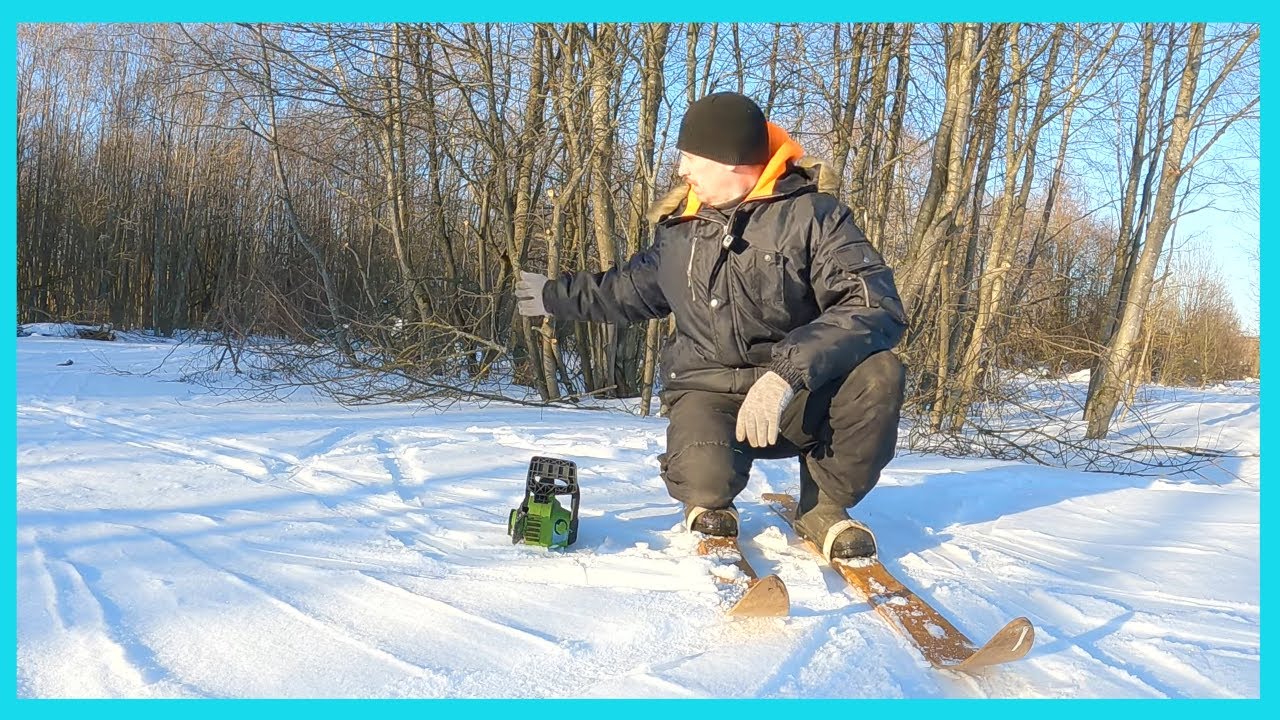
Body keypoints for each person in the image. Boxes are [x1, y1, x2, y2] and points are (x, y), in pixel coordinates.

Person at [516, 92, 906, 559]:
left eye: (691, 157)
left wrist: (785, 374)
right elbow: (624, 289)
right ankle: (708, 498)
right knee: (706, 480)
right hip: (709, 392)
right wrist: (550, 295)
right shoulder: (681, 229)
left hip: (797, 397)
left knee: (879, 371)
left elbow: (873, 305)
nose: (682, 169)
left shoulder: (814, 217)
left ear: (731, 160)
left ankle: (824, 506)